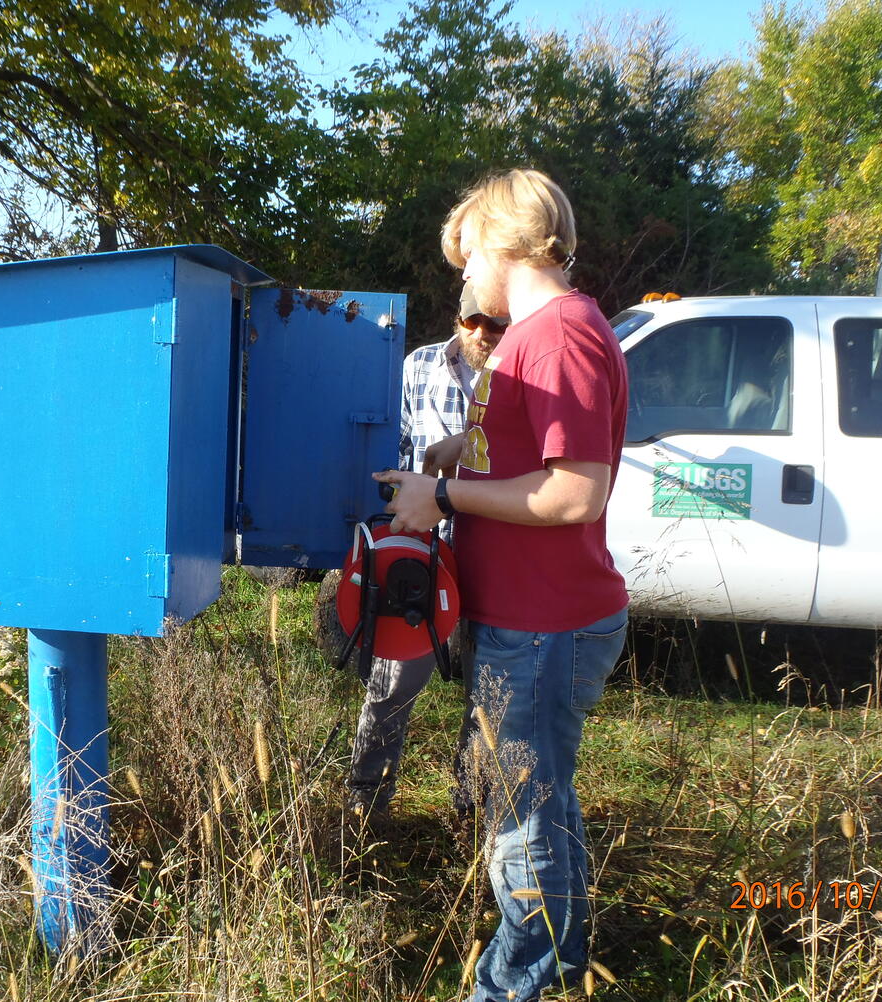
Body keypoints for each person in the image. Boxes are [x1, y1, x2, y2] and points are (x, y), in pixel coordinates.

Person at [373, 168, 629, 1001]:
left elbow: (575, 491)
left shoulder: (557, 334)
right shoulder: (535, 333)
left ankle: (517, 986)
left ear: (503, 242)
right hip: (527, 623)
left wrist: (440, 494)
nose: (464, 276)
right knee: (539, 807)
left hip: (542, 629)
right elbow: (533, 458)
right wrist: (461, 453)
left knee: (521, 822)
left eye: (467, 256)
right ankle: (558, 965)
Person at [347, 283, 507, 824]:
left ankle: (470, 817)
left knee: (488, 693)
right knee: (392, 682)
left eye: (496, 323)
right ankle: (365, 811)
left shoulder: (524, 374)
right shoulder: (418, 365)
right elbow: (401, 445)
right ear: (458, 319)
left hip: (497, 549)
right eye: (473, 321)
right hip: (425, 556)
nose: (483, 332)